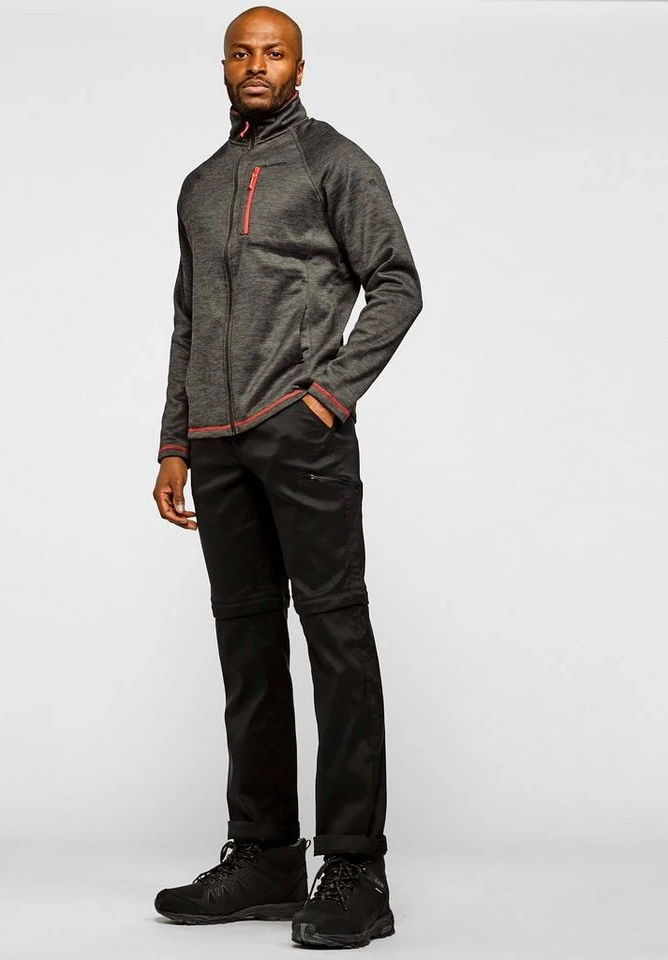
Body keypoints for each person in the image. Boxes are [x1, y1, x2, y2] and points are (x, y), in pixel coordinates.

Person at [151, 5, 422, 949]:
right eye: (242, 52)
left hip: (301, 436)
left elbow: (397, 283)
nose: (257, 65)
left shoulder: (334, 162)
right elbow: (188, 321)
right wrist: (175, 441)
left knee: (336, 638)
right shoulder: (200, 185)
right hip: (216, 446)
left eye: (274, 52)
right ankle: (265, 853)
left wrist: (329, 397)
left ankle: (355, 868)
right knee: (248, 648)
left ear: (300, 67)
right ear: (224, 67)